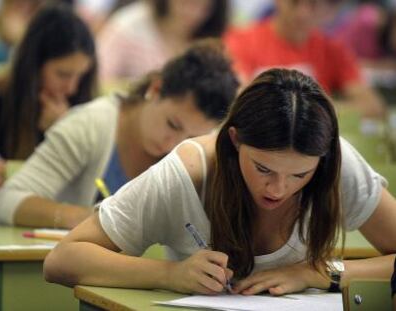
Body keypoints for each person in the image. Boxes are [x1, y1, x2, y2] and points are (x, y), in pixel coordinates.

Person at [43, 68, 396, 295]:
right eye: (263, 169)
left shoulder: (336, 161)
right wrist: (170, 274)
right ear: (234, 140)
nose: (278, 189)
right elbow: (63, 260)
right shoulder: (188, 171)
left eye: (300, 176)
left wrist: (318, 272)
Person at [0, 40, 239, 229]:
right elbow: (9, 201)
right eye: (172, 125)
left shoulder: (204, 152)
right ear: (155, 89)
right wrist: (94, 220)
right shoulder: (91, 125)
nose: (173, 144)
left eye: (190, 139)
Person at [0, 2, 97, 188]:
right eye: (63, 74)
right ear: (34, 66)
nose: (72, 88)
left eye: (81, 76)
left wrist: (67, 133)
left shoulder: (80, 104)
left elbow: (96, 184)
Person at [225, 0, 385, 118]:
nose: (302, 13)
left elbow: (373, 106)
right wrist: (321, 110)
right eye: (295, 2)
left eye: (314, 5)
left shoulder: (334, 51)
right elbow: (239, 101)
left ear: (332, 11)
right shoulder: (240, 41)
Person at [97, 0, 228, 81]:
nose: (193, 13)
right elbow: (97, 79)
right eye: (186, 2)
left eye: (204, 8)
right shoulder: (128, 28)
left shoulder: (209, 38)